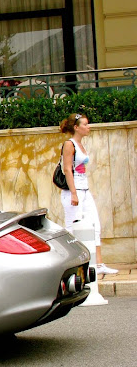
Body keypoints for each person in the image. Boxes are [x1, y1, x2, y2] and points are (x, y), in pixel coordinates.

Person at [58, 113, 118, 275]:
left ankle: (98, 265)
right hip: (73, 191)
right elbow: (67, 169)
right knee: (72, 228)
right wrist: (73, 193)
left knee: (95, 225)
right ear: (76, 128)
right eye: (85, 124)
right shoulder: (69, 144)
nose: (88, 127)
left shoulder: (81, 145)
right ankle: (70, 266)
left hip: (84, 190)